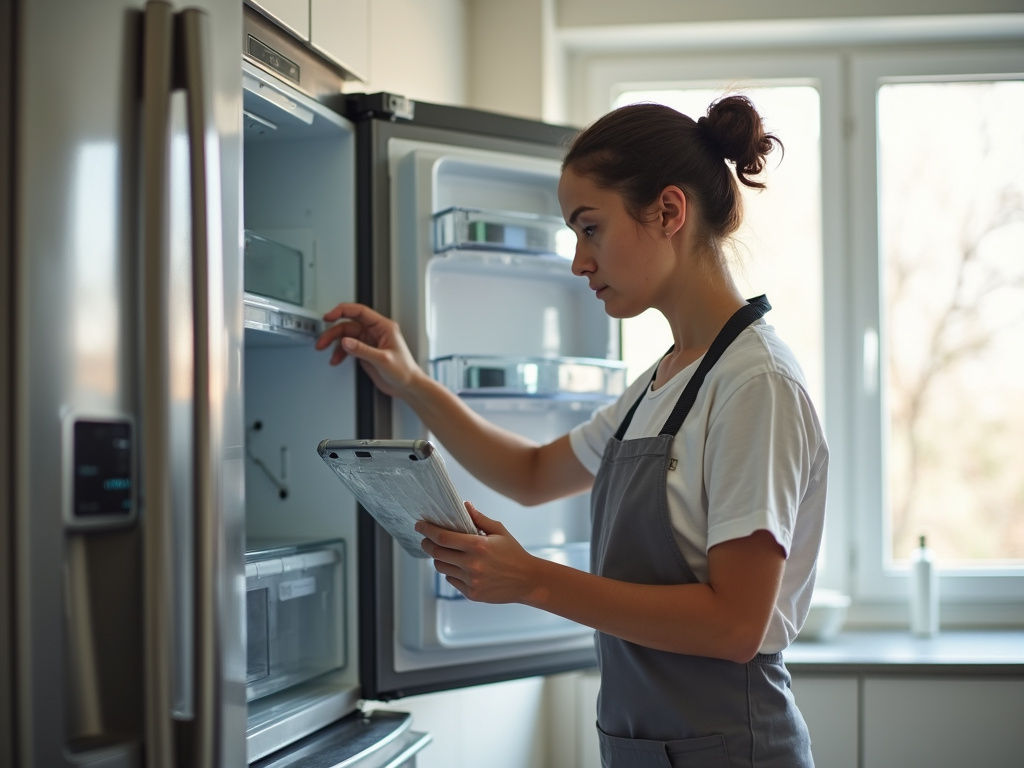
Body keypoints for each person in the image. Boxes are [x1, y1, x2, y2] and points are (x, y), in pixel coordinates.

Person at [315, 95, 827, 767]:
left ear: (669, 212)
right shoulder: (665, 380)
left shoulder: (754, 384)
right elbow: (531, 476)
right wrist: (411, 381)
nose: (578, 262)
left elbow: (735, 625)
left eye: (590, 229)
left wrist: (532, 580)